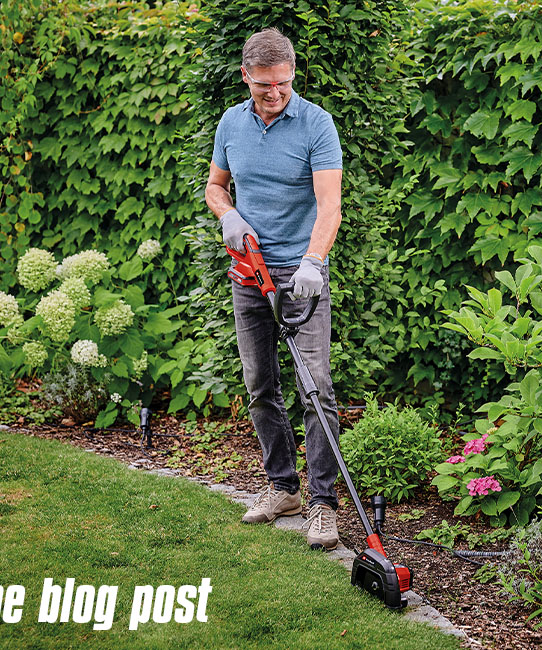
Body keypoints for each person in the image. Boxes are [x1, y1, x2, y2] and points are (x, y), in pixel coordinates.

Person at [204, 28, 343, 550]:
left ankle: (323, 505)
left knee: (317, 390)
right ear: (246, 77)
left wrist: (313, 261)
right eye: (265, 86)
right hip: (249, 272)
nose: (275, 94)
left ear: (291, 75)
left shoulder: (316, 124)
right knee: (261, 384)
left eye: (282, 84)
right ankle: (283, 488)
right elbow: (216, 187)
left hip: (301, 276)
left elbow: (329, 205)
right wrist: (229, 215)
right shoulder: (231, 124)